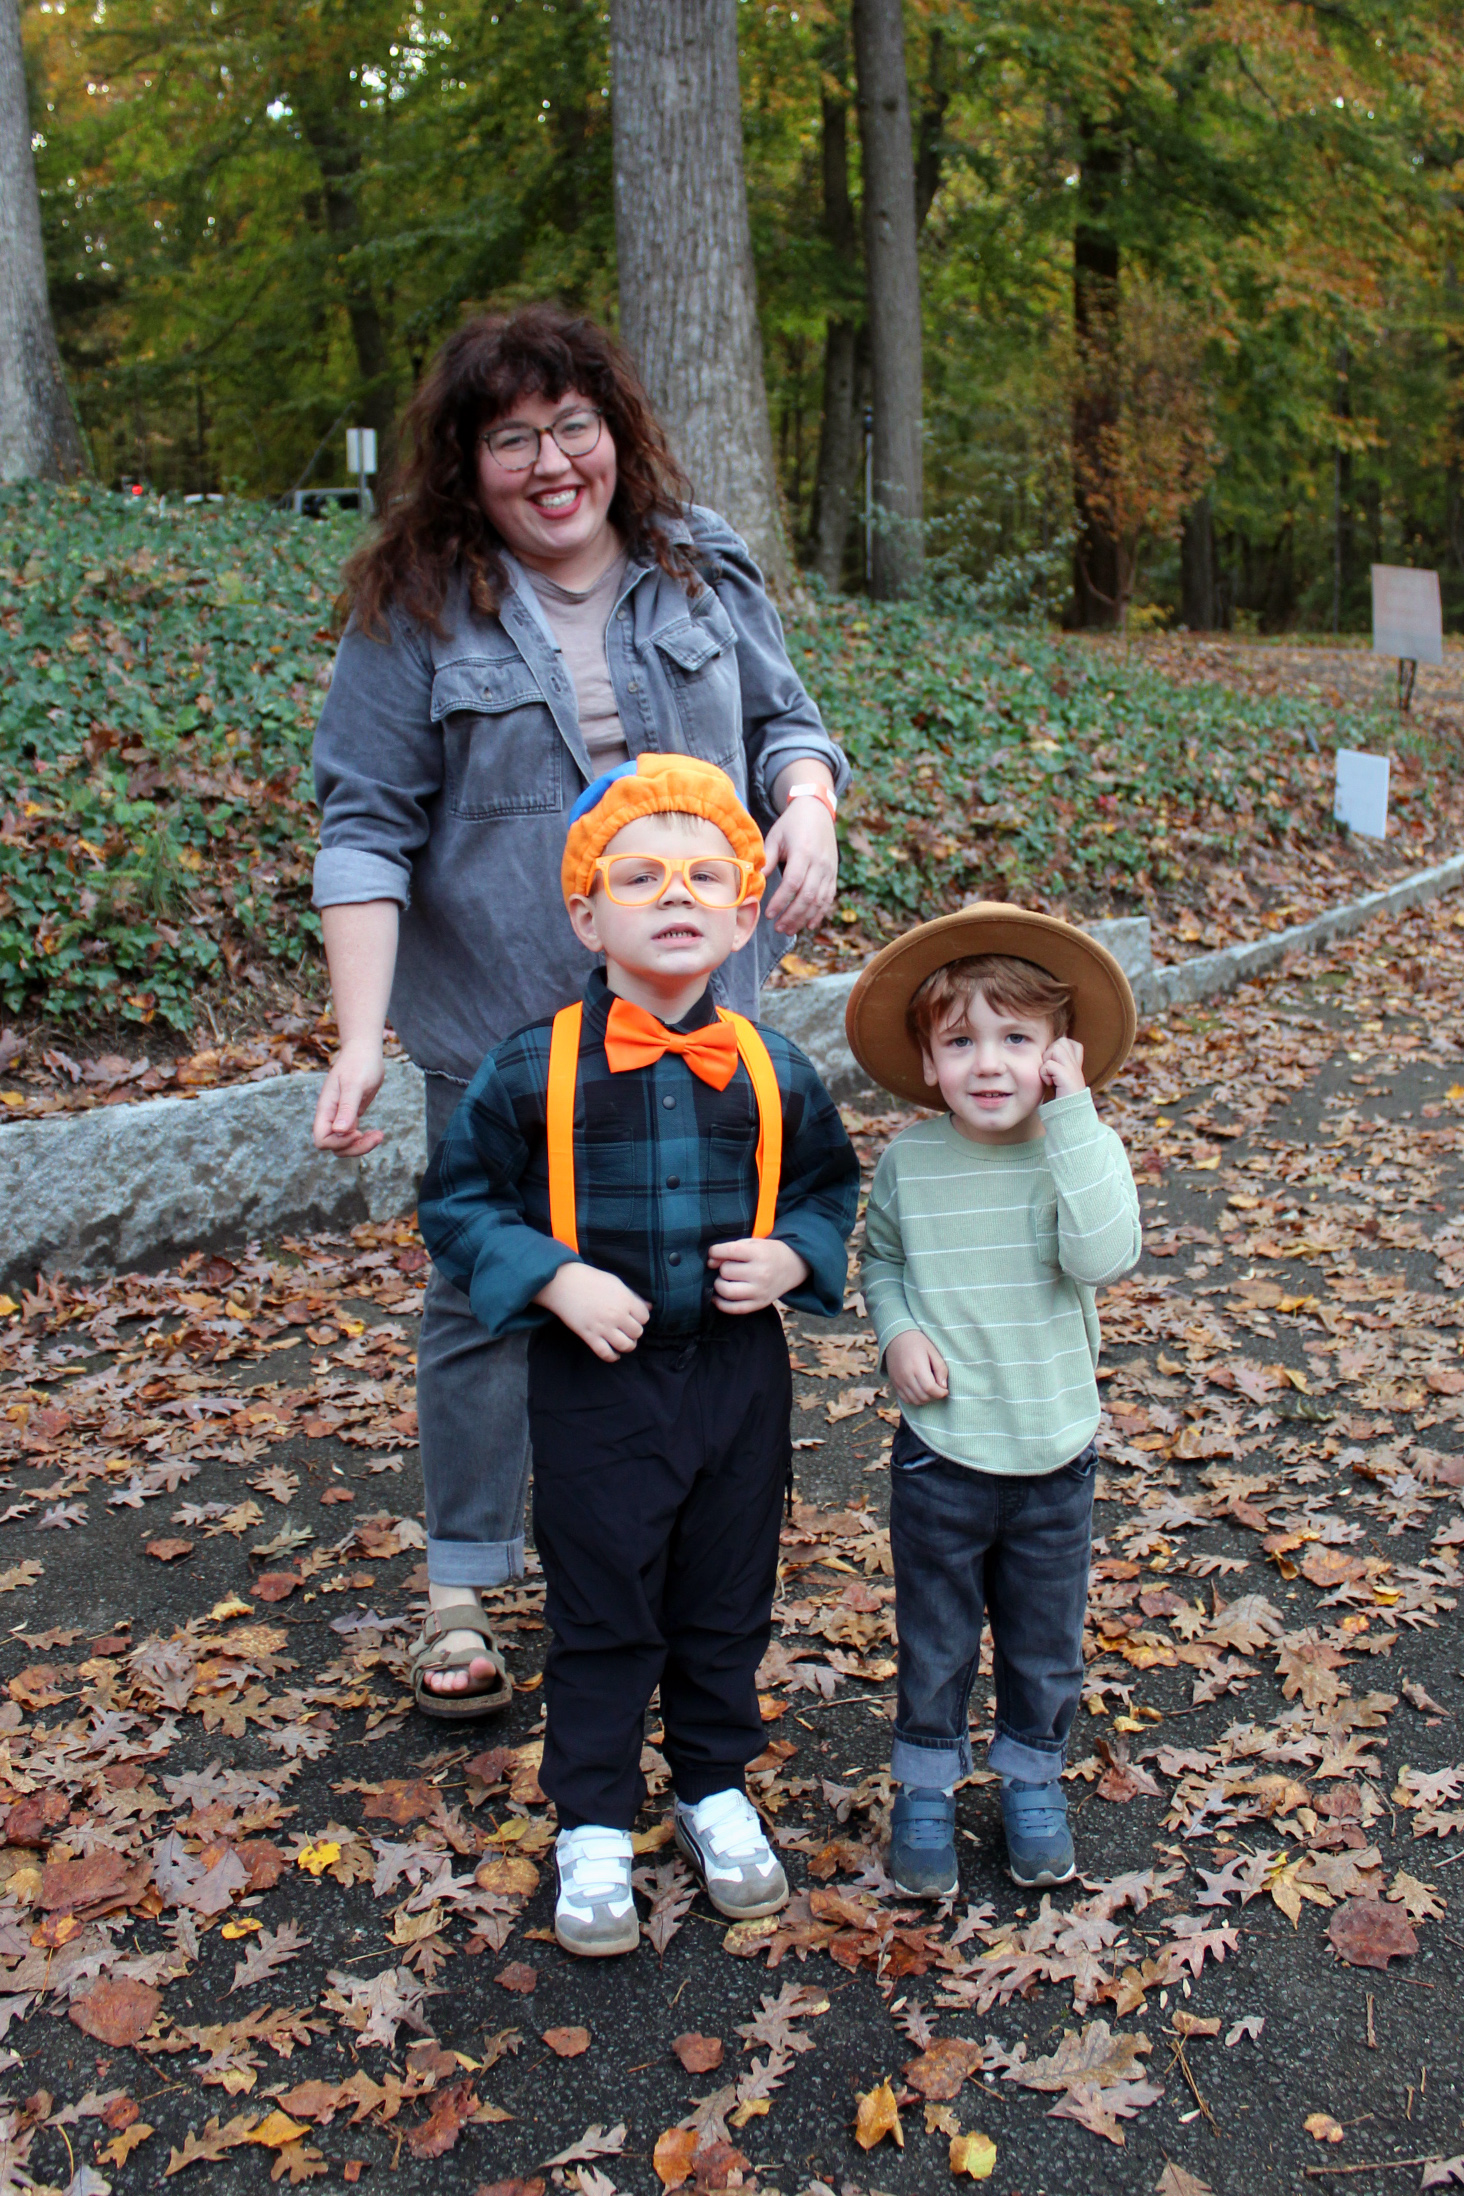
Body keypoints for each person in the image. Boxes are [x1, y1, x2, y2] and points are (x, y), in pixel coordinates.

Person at [309, 305, 849, 1713]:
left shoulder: (703, 567)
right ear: (463, 460)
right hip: (500, 1020)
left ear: (616, 432)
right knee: (490, 1291)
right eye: (510, 439)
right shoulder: (420, 607)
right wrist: (358, 1038)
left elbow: (791, 725)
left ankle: (678, 1561)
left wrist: (806, 809)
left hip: (696, 1010)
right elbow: (365, 828)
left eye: (573, 428)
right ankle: (464, 1583)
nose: (551, 464)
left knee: (703, 1280)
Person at [417, 755, 860, 1955]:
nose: (678, 893)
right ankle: (596, 1819)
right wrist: (551, 1275)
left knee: (725, 1595)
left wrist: (794, 1258)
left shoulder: (776, 1069)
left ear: (745, 907)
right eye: (642, 875)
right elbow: (457, 1207)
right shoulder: (530, 1069)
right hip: (594, 1387)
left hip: (736, 1383)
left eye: (708, 873)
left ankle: (715, 1787)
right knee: (604, 1598)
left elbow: (827, 1190)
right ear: (585, 911)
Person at [844, 907, 1141, 1894]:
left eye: (1016, 1039)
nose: (988, 1063)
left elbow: (1106, 1255)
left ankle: (1029, 1776)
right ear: (928, 1061)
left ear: (1057, 1053)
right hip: (944, 1454)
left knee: (1044, 1641)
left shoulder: (1073, 1149)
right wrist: (899, 1335)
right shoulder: (910, 1164)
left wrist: (1075, 1114)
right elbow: (882, 1261)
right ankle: (927, 1784)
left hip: (1055, 1454)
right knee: (934, 1635)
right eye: (961, 1040)